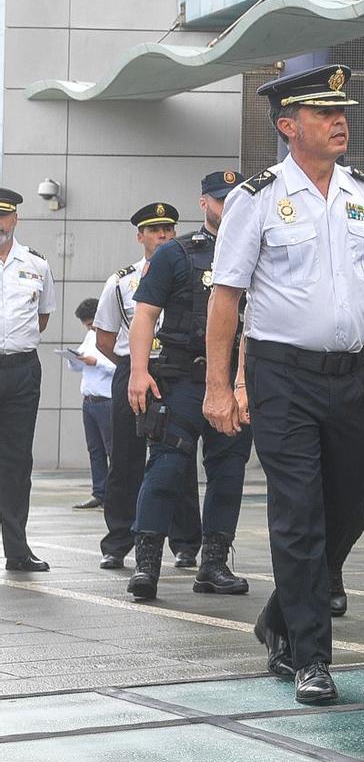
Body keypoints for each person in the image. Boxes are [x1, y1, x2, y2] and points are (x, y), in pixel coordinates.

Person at [207, 63, 364, 705]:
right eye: (324, 114)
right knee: (299, 510)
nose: (339, 122)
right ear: (287, 126)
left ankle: (281, 614)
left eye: (341, 113)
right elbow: (226, 297)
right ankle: (310, 655)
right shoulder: (258, 197)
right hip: (282, 376)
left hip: (350, 374)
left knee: (353, 498)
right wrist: (220, 386)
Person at [125, 170, 255, 602]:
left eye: (235, 198)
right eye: (221, 200)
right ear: (204, 203)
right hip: (181, 380)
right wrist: (138, 372)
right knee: (166, 469)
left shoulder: (259, 249)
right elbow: (144, 314)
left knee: (228, 474)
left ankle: (213, 564)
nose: (229, 206)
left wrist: (247, 384)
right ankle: (147, 565)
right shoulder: (177, 254)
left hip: (236, 384)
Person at [97, 203, 200, 571]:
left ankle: (186, 542)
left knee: (179, 457)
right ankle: (118, 541)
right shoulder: (121, 281)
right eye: (155, 229)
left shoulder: (191, 273)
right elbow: (104, 338)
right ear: (140, 236)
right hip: (134, 369)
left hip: (174, 371)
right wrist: (132, 367)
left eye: (169, 229)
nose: (163, 235)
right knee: (125, 459)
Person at [0, 187, 55, 572]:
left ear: (15, 219)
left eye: (4, 216)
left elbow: (43, 317)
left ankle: (17, 549)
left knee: (17, 461)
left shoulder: (36, 264)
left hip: (20, 369)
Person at [71, 298, 114, 510]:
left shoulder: (113, 335)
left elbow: (120, 366)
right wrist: (75, 359)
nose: (89, 328)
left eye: (90, 323)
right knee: (95, 449)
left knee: (112, 449)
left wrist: (96, 362)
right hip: (88, 400)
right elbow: (79, 366)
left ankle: (117, 495)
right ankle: (100, 493)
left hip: (106, 400)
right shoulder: (90, 337)